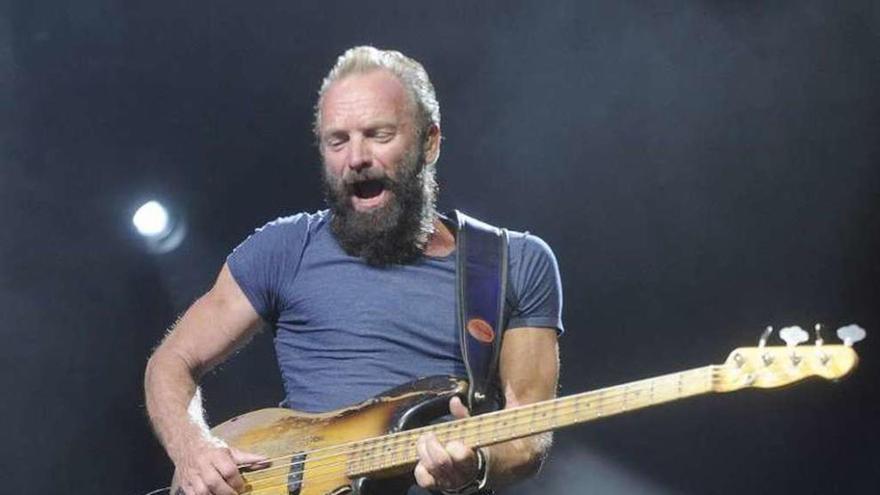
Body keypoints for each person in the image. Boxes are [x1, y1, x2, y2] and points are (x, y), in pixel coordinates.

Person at [144, 46, 563, 495]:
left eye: (378, 134)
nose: (356, 157)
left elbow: (527, 435)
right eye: (337, 140)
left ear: (430, 141)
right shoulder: (284, 248)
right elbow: (171, 362)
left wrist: (477, 460)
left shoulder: (514, 263)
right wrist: (194, 448)